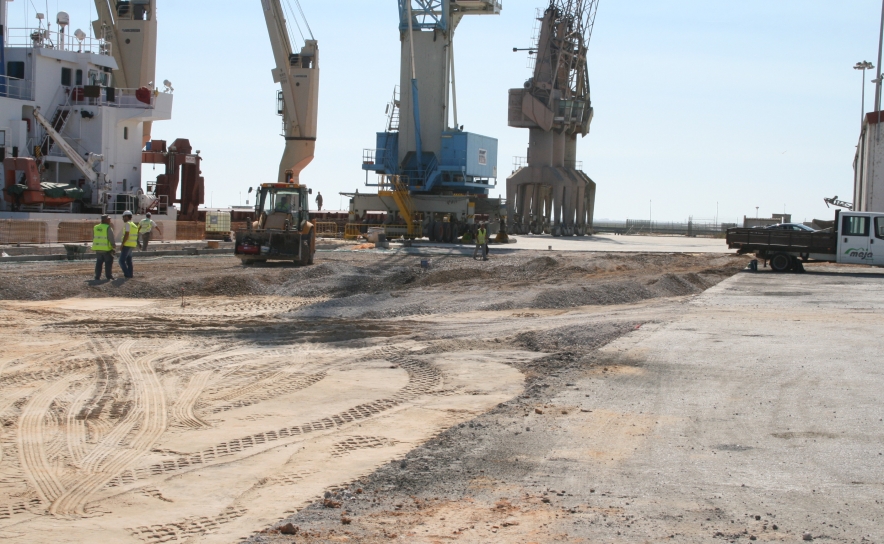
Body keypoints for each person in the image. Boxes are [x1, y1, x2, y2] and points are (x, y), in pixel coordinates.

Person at [92, 214, 116, 280]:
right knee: (108, 263)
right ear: (105, 220)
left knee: (99, 262)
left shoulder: (96, 227)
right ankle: (108, 276)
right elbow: (111, 237)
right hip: (106, 249)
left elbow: (94, 237)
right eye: (108, 219)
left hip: (98, 248)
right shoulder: (108, 227)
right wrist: (113, 245)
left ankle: (97, 276)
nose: (110, 220)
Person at [119, 211, 139, 278]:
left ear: (127, 216)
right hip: (132, 244)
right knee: (129, 261)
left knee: (121, 261)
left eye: (123, 217)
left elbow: (127, 234)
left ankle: (127, 274)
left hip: (127, 244)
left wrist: (122, 244)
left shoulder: (127, 224)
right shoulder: (134, 225)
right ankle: (130, 275)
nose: (123, 219)